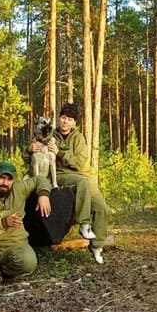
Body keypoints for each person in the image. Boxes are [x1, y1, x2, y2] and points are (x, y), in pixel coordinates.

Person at [26, 102, 109, 264]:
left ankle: (97, 246)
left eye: (70, 119)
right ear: (58, 118)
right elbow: (31, 153)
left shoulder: (79, 138)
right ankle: (84, 224)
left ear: (74, 123)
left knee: (101, 207)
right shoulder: (49, 132)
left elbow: (80, 163)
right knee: (81, 184)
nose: (65, 122)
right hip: (58, 175)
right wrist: (30, 148)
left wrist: (60, 152)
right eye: (63, 117)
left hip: (79, 174)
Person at [0, 160, 52, 287]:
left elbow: (40, 179)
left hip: (14, 243)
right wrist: (3, 222)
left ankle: (7, 272)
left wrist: (43, 195)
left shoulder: (19, 188)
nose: (5, 183)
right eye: (1, 178)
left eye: (9, 179)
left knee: (29, 262)